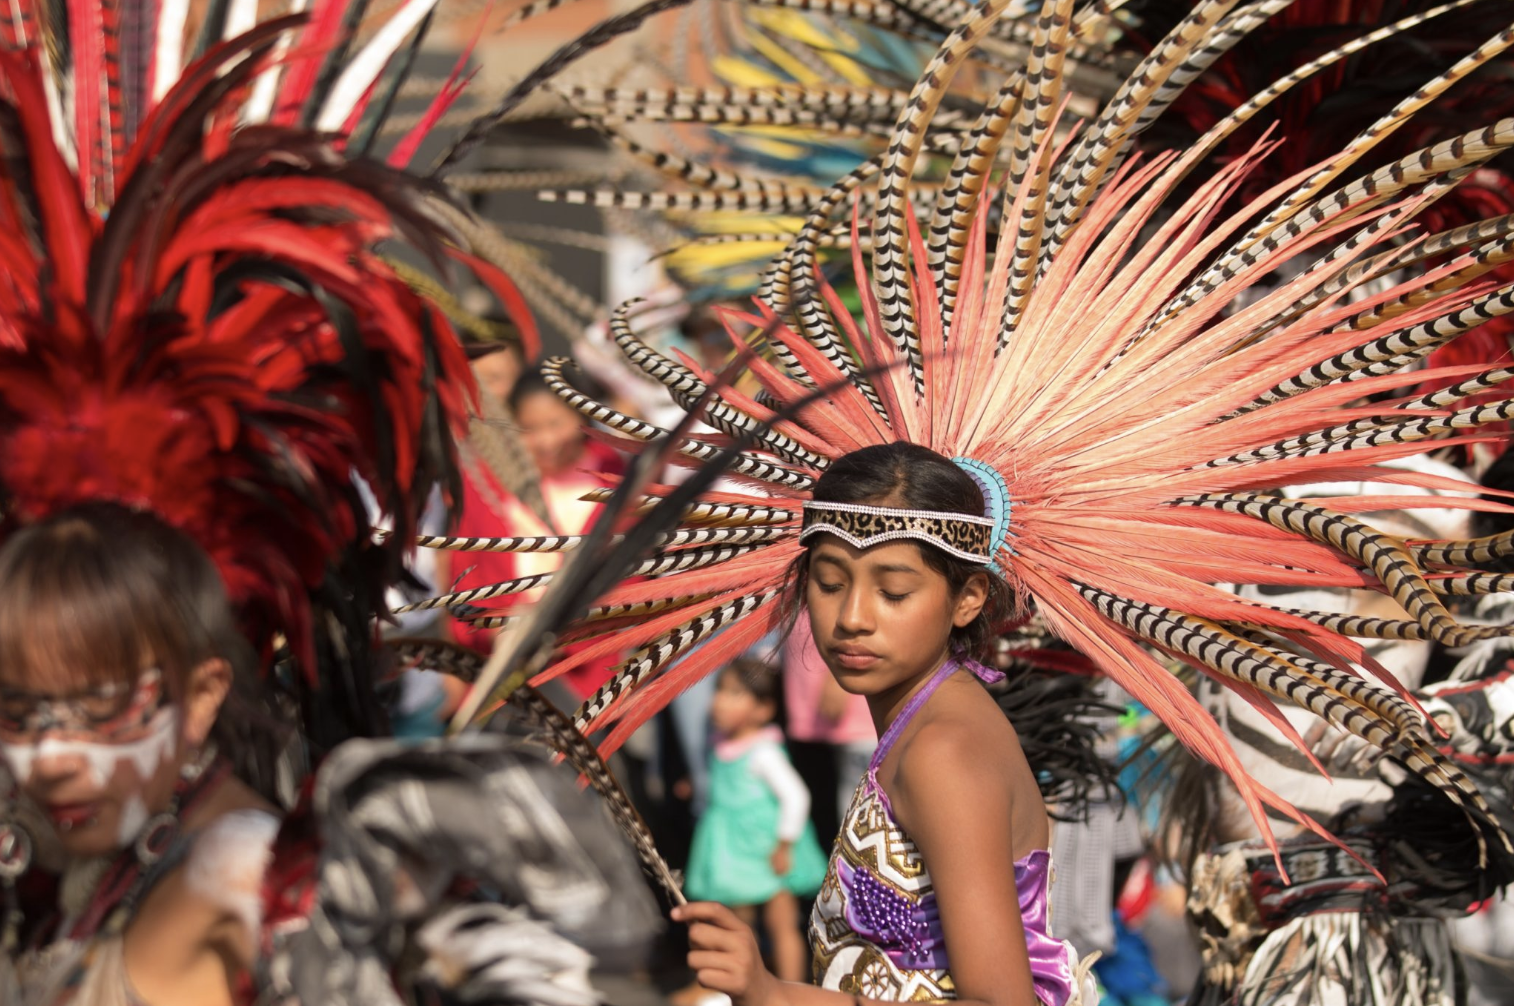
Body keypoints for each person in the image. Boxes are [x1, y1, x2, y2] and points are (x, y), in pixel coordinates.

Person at [670, 444, 1096, 1006]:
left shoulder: (943, 752)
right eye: (829, 583)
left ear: (968, 598)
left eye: (893, 592)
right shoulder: (926, 721)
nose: (852, 618)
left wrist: (774, 994)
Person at [683, 658, 827, 990]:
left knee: (781, 922)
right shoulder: (721, 744)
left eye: (734, 694)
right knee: (737, 922)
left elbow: (796, 796)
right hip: (734, 852)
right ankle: (738, 987)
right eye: (719, 691)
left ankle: (792, 989)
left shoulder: (764, 752)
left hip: (767, 850)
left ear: (763, 709)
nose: (719, 701)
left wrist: (785, 844)